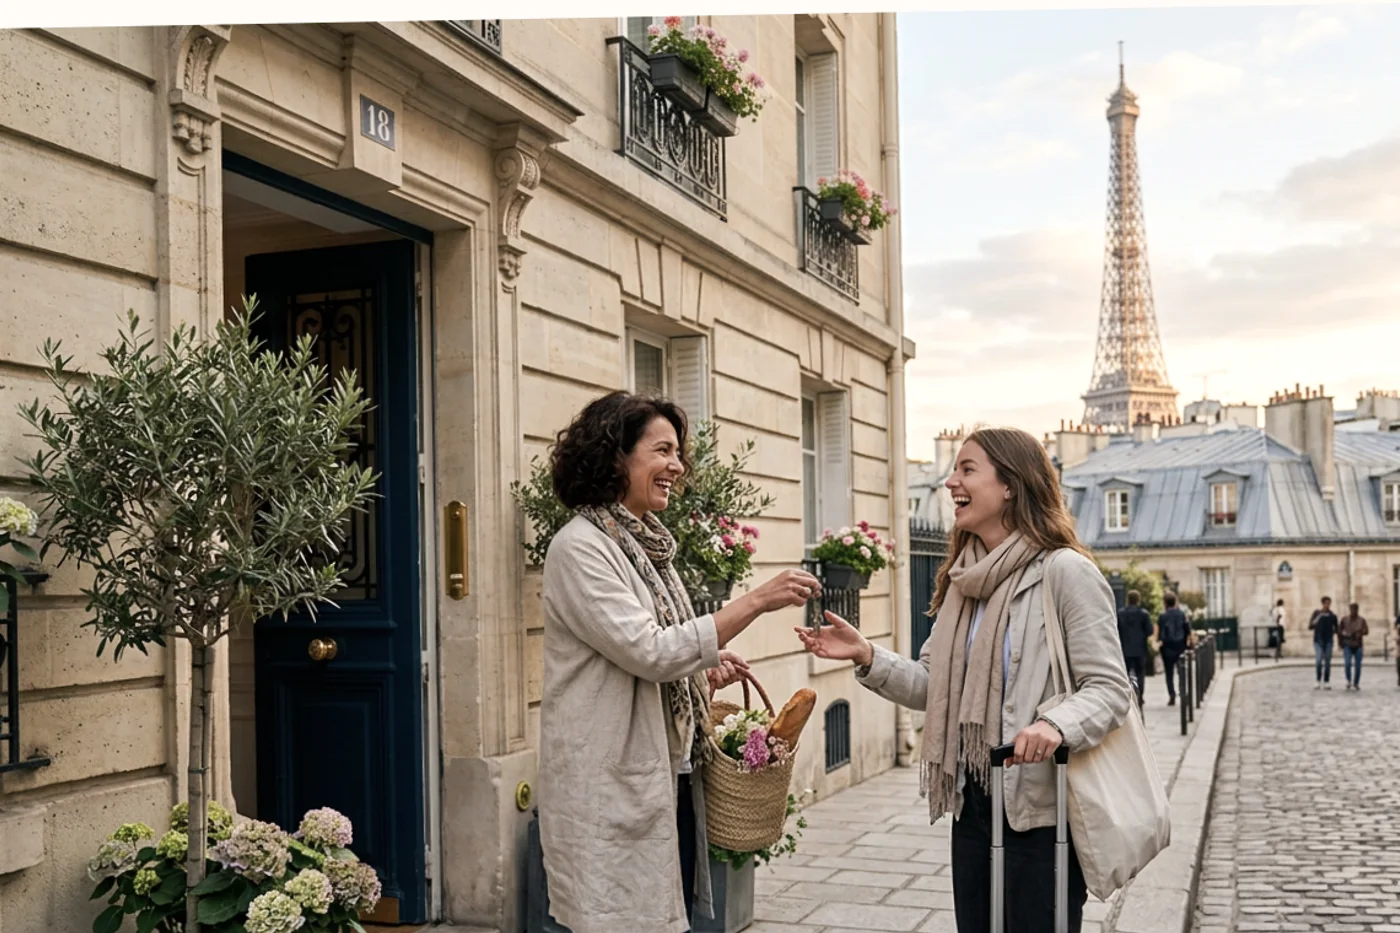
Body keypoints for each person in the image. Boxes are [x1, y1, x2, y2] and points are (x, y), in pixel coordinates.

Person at [794, 427, 1130, 933]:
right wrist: (867, 655)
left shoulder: (1065, 574)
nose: (951, 481)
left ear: (1011, 485)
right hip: (972, 802)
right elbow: (935, 687)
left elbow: (1109, 689)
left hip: (1040, 811)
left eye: (967, 469)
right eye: (954, 469)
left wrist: (1055, 725)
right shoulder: (963, 581)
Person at [537, 391, 823, 933]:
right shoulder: (580, 548)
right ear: (615, 456)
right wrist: (756, 600)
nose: (677, 466)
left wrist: (700, 674)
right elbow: (649, 650)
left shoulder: (642, 547)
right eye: (662, 450)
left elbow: (657, 652)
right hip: (609, 779)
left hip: (667, 775)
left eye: (678, 452)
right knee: (616, 920)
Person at [1117, 589, 1153, 707]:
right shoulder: (1143, 614)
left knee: (1125, 675)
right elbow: (1150, 631)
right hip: (1140, 649)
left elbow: (1116, 630)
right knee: (1140, 674)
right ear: (1138, 600)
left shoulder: (1120, 613)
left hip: (1124, 650)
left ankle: (1127, 696)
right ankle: (1140, 696)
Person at [1156, 593, 1192, 706]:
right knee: (1181, 672)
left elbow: (1159, 633)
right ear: (1175, 602)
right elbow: (1187, 631)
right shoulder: (1182, 615)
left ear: (1165, 603)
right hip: (1180, 646)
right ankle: (1182, 693)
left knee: (1169, 673)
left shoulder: (1162, 616)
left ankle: (1172, 695)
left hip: (1167, 647)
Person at [1309, 597, 1340, 690]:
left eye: (1329, 603)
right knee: (1318, 661)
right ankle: (1318, 680)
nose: (1327, 605)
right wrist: (1319, 617)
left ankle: (1326, 681)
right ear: (1322, 604)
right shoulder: (1317, 613)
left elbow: (1336, 629)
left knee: (1327, 662)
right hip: (1318, 641)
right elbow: (1310, 625)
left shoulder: (1332, 615)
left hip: (1328, 641)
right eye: (1326, 603)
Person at [1338, 603, 1368, 690]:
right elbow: (1339, 631)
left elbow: (1366, 630)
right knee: (1347, 663)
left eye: (1355, 609)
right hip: (1347, 644)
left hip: (1358, 645)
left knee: (1358, 665)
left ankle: (1356, 682)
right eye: (1352, 609)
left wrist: (1360, 632)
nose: (1353, 611)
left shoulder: (1361, 620)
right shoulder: (1344, 620)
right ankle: (1348, 680)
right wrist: (1340, 643)